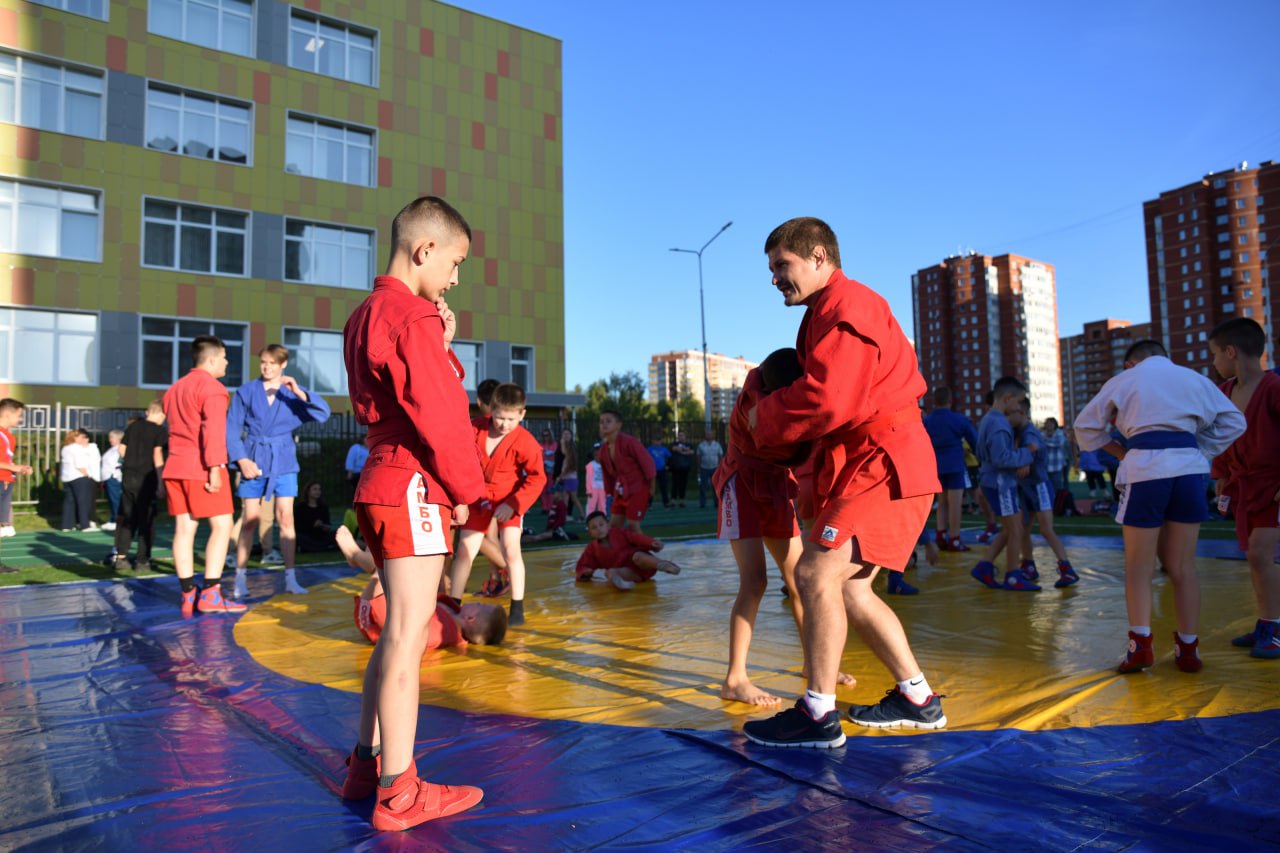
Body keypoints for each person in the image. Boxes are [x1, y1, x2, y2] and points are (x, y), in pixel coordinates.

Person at [741, 217, 943, 749]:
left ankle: (817, 712)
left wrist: (761, 419)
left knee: (812, 573)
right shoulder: (824, 314)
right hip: (875, 459)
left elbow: (829, 400)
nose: (775, 278)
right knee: (850, 588)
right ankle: (918, 698)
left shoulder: (846, 306)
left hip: (884, 460)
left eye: (782, 265)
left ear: (818, 258)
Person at [339, 195, 486, 830]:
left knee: (396, 633)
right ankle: (400, 791)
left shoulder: (366, 314)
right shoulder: (412, 315)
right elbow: (443, 414)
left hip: (380, 480)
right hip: (411, 483)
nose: (454, 279)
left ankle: (367, 767)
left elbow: (404, 393)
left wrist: (442, 343)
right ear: (425, 250)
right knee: (407, 636)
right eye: (454, 263)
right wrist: (470, 494)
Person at [1075, 339, 1244, 674]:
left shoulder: (1125, 380)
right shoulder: (1193, 378)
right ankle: (1188, 649)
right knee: (1183, 568)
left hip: (1145, 469)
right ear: (1166, 357)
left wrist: (1122, 453)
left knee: (1139, 567)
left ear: (1130, 364)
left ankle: (1140, 646)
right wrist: (1201, 450)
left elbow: (1085, 426)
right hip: (1189, 469)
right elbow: (1235, 422)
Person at [714, 348, 809, 706]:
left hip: (774, 485)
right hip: (742, 485)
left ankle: (813, 664)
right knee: (755, 581)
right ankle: (735, 679)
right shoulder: (756, 408)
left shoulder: (773, 395)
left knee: (801, 582)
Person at [226, 344, 331, 598]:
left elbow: (322, 413)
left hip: (283, 462)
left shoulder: (290, 394)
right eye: (263, 361)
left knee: (286, 519)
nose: (266, 366)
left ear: (283, 364)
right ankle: (240, 578)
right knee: (250, 520)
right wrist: (241, 460)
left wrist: (299, 391)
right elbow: (231, 428)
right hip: (253, 459)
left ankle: (291, 578)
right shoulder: (246, 391)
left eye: (272, 363)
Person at [1208, 318, 1280, 659]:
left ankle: (1275, 627)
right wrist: (1221, 474)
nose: (1214, 363)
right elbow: (1220, 437)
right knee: (1254, 557)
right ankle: (1267, 623)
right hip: (1243, 486)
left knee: (1260, 554)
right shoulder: (1223, 392)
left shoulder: (1274, 388)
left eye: (1215, 355)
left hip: (1272, 485)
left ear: (1231, 352)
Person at [448, 382, 546, 626]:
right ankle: (453, 605)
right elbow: (457, 459)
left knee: (511, 550)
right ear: (490, 409)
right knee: (465, 550)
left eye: (512, 419)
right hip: (476, 498)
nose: (504, 424)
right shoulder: (474, 428)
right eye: (500, 417)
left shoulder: (525, 441)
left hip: (508, 499)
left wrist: (514, 503)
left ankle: (517, 608)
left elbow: (537, 477)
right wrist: (459, 497)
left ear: (522, 414)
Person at [162, 335, 244, 617]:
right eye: (223, 357)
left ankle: (188, 594)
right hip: (202, 467)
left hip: (175, 466)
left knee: (184, 530)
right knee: (223, 526)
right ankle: (211, 593)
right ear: (211, 359)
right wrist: (215, 468)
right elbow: (211, 432)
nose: (226, 361)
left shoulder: (173, 389)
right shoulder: (213, 389)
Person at [968, 377, 1040, 591]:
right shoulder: (999, 424)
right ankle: (1012, 575)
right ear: (1007, 399)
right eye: (1018, 402)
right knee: (1016, 528)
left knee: (1011, 529)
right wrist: (1027, 453)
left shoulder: (988, 420)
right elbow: (1002, 458)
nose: (1019, 407)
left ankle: (985, 565)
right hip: (1001, 484)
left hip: (995, 481)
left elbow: (985, 453)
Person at [1008, 399, 1079, 588]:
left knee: (1046, 529)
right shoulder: (1018, 431)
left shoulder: (1029, 432)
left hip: (1039, 486)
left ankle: (1067, 568)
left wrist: (1024, 460)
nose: (1007, 418)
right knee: (1022, 528)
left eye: (1010, 414)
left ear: (1021, 413)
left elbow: (1034, 446)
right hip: (1025, 487)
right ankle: (1029, 564)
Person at [111, 401, 167, 575]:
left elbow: (121, 449)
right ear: (161, 414)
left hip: (129, 475)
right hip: (147, 476)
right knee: (146, 519)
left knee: (128, 516)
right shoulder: (160, 431)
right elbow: (157, 455)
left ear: (148, 412)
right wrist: (160, 481)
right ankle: (142, 560)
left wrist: (132, 462)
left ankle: (121, 557)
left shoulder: (133, 427)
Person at [922, 386, 977, 552]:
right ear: (950, 401)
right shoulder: (959, 419)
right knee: (955, 504)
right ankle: (954, 538)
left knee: (942, 502)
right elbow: (974, 440)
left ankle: (940, 534)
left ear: (934, 401)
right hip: (954, 465)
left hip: (935, 466)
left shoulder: (927, 421)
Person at [573, 511, 680, 590]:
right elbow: (582, 564)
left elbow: (636, 537)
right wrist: (585, 572)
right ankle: (624, 585)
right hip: (629, 573)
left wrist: (650, 543)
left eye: (601, 525)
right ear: (590, 533)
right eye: (594, 528)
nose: (599, 529)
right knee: (610, 573)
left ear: (607, 525)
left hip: (642, 564)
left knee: (638, 556)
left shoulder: (619, 532)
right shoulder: (592, 549)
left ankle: (663, 565)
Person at [597, 410, 656, 533]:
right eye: (601, 422)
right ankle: (616, 551)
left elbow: (648, 464)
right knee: (613, 527)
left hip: (638, 488)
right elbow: (607, 474)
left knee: (632, 525)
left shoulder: (630, 442)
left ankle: (645, 550)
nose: (604, 424)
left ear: (618, 424)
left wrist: (651, 488)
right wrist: (610, 491)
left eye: (608, 421)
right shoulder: (603, 450)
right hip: (620, 490)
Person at [0, 398, 33, 571]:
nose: (20, 419)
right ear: (7, 413)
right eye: (18, 415)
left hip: (5, 480)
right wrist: (15, 467)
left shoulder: (8, 435)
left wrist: (17, 469)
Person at [59, 430, 97, 532]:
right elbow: (79, 464)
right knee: (83, 501)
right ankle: (85, 525)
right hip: (79, 477)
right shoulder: (77, 448)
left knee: (69, 502)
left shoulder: (65, 448)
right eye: (80, 437)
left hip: (67, 477)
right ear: (74, 438)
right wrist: (86, 474)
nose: (82, 439)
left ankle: (66, 525)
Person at [295, 480, 338, 552]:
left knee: (338, 533)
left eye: (319, 489)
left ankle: (314, 548)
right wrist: (312, 525)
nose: (317, 491)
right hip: (306, 536)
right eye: (315, 489)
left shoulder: (323, 507)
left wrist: (323, 526)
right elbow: (297, 526)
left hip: (321, 536)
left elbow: (327, 525)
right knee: (297, 537)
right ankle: (325, 548)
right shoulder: (300, 507)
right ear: (308, 491)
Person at [553, 428, 585, 521]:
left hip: (570, 479)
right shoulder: (566, 456)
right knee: (565, 498)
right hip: (567, 478)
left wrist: (560, 477)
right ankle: (565, 515)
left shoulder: (569, 457)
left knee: (573, 498)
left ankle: (582, 514)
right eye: (564, 434)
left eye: (568, 434)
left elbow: (567, 469)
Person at [100, 429, 124, 532]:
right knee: (112, 500)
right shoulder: (112, 449)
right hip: (107, 477)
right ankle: (113, 519)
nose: (110, 440)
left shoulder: (120, 448)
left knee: (116, 500)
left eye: (112, 437)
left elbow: (121, 462)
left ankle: (117, 520)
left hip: (114, 476)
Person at [1041, 417, 1070, 493]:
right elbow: (1039, 444)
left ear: (1055, 425)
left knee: (1057, 486)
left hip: (1057, 465)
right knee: (1046, 487)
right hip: (1045, 465)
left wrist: (1046, 441)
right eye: (1047, 423)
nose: (1048, 425)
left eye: (1050, 423)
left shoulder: (1059, 433)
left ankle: (1059, 503)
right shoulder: (1042, 434)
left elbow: (1059, 443)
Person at [696, 432, 724, 509]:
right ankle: (702, 503)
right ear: (705, 436)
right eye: (707, 434)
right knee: (703, 486)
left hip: (715, 468)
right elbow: (698, 457)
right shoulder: (701, 445)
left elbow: (720, 456)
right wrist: (698, 468)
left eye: (710, 434)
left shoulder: (717, 445)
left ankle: (717, 502)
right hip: (704, 468)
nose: (709, 436)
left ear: (713, 435)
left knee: (716, 486)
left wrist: (720, 467)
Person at [668, 431, 694, 508]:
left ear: (685, 437)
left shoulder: (689, 444)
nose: (681, 437)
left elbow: (691, 452)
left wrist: (682, 451)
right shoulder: (673, 444)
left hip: (685, 468)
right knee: (674, 484)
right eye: (679, 435)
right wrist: (685, 450)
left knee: (683, 484)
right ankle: (673, 501)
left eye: (682, 435)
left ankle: (682, 501)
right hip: (675, 468)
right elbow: (674, 449)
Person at [647, 435, 672, 508]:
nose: (657, 442)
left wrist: (668, 466)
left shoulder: (664, 449)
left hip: (662, 470)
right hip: (652, 471)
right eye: (655, 440)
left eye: (659, 440)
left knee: (664, 487)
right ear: (653, 441)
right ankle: (649, 503)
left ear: (661, 441)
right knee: (651, 487)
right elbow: (644, 458)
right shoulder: (649, 449)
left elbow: (670, 457)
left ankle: (666, 502)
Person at [584, 446, 606, 516]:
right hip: (593, 489)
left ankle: (603, 519)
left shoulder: (605, 465)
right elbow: (588, 479)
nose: (598, 457)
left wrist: (608, 490)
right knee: (591, 506)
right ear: (593, 456)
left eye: (600, 455)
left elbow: (607, 478)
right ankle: (589, 520)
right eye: (596, 455)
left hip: (603, 489)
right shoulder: (590, 465)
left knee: (602, 505)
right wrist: (589, 490)